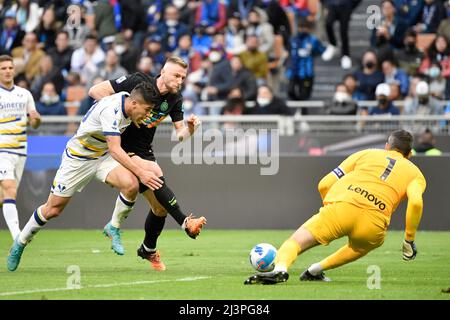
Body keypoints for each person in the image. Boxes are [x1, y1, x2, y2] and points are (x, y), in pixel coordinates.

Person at [6, 82, 160, 272]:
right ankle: (20, 242)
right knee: (53, 209)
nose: (148, 114)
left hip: (101, 157)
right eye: (147, 109)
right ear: (135, 103)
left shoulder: (128, 101)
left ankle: (113, 227)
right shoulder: (111, 110)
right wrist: (141, 171)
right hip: (78, 159)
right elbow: (115, 149)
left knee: (131, 185)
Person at [244, 129, 426, 284]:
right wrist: (408, 239)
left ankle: (280, 269)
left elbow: (324, 184)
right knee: (360, 248)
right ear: (410, 155)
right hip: (373, 222)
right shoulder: (416, 175)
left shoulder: (366, 154)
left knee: (295, 242)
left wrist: (330, 207)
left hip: (341, 208)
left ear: (387, 146)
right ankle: (315, 270)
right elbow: (416, 202)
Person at [88, 56, 207, 270]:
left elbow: (179, 134)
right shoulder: (138, 82)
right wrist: (113, 117)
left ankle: (148, 249)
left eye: (183, 77)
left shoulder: (175, 99)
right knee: (153, 171)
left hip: (144, 151)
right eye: (176, 75)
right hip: (121, 146)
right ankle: (185, 222)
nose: (180, 81)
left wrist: (190, 129)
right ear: (163, 72)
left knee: (160, 208)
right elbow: (95, 91)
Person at [0, 55, 41, 241]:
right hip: (2, 150)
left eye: (10, 68)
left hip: (20, 151)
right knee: (10, 189)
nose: (7, 71)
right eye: (3, 68)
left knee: (4, 197)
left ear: (14, 70)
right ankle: (18, 238)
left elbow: (34, 124)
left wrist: (36, 119)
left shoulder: (24, 94)